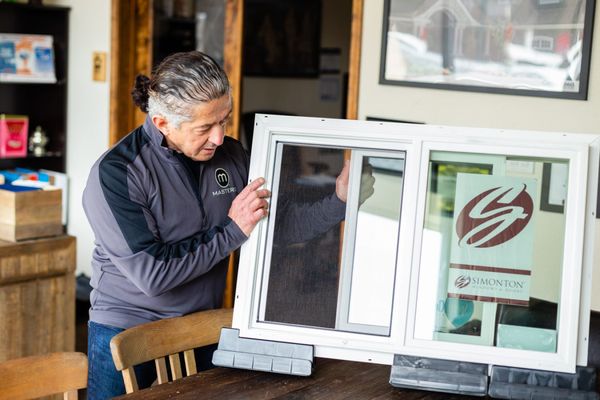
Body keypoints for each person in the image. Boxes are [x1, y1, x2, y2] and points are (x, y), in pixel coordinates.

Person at [82, 51, 357, 399]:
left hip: (200, 325)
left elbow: (281, 225)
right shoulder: (117, 173)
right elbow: (153, 275)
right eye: (205, 127)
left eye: (223, 120)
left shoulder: (230, 155)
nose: (218, 137)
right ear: (163, 123)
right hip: (124, 327)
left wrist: (340, 199)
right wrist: (233, 231)